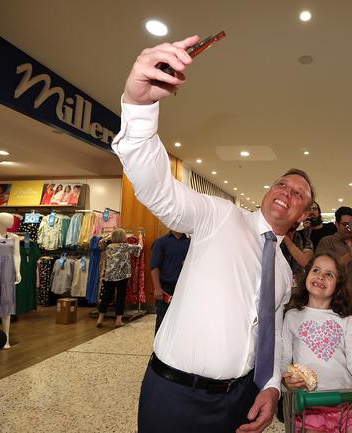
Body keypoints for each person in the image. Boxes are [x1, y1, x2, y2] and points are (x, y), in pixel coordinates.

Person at [112, 35, 315, 433]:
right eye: (281, 183)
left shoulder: (282, 267)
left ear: (304, 215)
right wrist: (139, 106)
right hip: (175, 396)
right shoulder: (221, 216)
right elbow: (159, 190)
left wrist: (271, 386)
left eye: (299, 194)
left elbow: (269, 333)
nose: (286, 193)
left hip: (238, 402)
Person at [281, 253, 352, 433]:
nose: (321, 276)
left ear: (338, 285)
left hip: (348, 405)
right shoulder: (292, 317)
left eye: (329, 274)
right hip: (309, 407)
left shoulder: (345, 320)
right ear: (307, 275)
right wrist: (286, 380)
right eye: (316, 270)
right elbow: (284, 359)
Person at [317, 207, 352, 328]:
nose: (349, 228)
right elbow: (322, 269)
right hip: (332, 307)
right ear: (336, 224)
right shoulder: (327, 242)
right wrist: (349, 256)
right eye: (345, 224)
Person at [96, 228, 142, 328]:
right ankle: (118, 320)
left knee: (106, 297)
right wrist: (141, 238)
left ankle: (100, 319)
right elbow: (139, 248)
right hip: (122, 276)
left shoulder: (108, 247)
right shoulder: (125, 246)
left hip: (109, 275)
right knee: (120, 297)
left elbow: (100, 245)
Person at [150, 230, 190, 333]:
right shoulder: (161, 242)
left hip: (184, 289)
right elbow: (154, 267)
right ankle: (158, 349)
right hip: (165, 289)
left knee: (182, 322)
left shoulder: (190, 244)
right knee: (162, 321)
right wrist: (157, 288)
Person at [281, 223, 313, 290]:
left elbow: (306, 262)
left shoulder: (304, 239)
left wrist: (284, 236)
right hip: (279, 285)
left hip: (299, 287)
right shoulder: (271, 239)